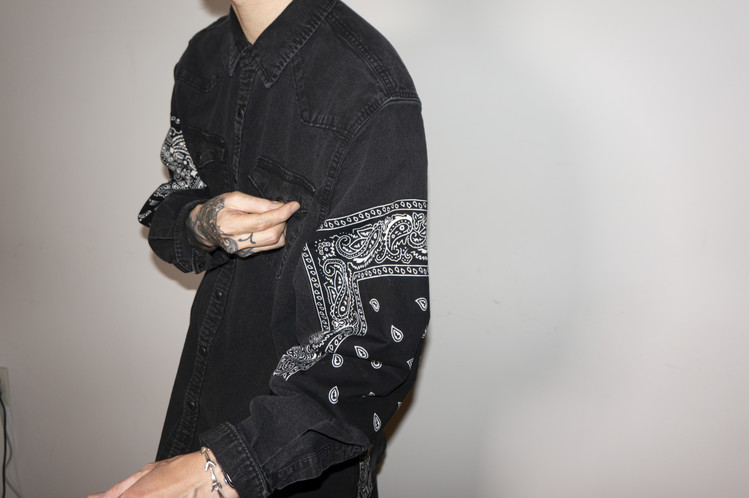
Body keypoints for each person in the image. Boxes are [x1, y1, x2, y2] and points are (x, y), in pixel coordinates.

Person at [93, 0, 429, 496]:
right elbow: (173, 204)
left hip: (293, 459)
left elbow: (378, 348)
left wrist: (221, 469)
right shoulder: (203, 58)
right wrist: (203, 222)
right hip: (202, 404)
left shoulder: (368, 86)